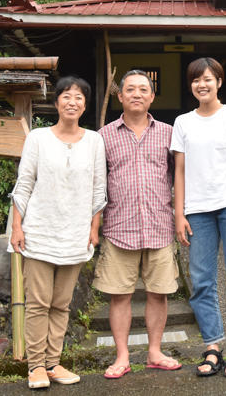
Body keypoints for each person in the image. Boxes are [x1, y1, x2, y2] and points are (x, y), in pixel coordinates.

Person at [8, 76, 107, 389]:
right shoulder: (38, 138)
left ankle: (53, 362)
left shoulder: (94, 141)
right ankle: (36, 365)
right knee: (38, 303)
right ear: (56, 102)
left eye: (79, 97)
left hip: (75, 233)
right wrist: (16, 225)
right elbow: (24, 184)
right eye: (66, 96)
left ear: (85, 105)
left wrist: (94, 229)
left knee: (61, 304)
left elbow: (98, 189)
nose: (72, 102)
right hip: (39, 230)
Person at [171, 57, 226, 378]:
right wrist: (178, 214)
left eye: (208, 78)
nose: (201, 84)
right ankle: (212, 346)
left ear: (219, 81)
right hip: (197, 211)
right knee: (202, 282)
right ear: (190, 85)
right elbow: (178, 172)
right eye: (195, 80)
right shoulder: (183, 122)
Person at [94, 69, 180, 379]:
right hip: (119, 227)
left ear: (152, 96)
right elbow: (96, 183)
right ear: (120, 95)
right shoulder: (103, 136)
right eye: (130, 89)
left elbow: (179, 177)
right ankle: (122, 356)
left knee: (159, 293)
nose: (137, 94)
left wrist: (180, 216)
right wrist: (95, 225)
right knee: (120, 295)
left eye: (144, 89)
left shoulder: (169, 133)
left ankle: (155, 352)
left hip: (159, 225)